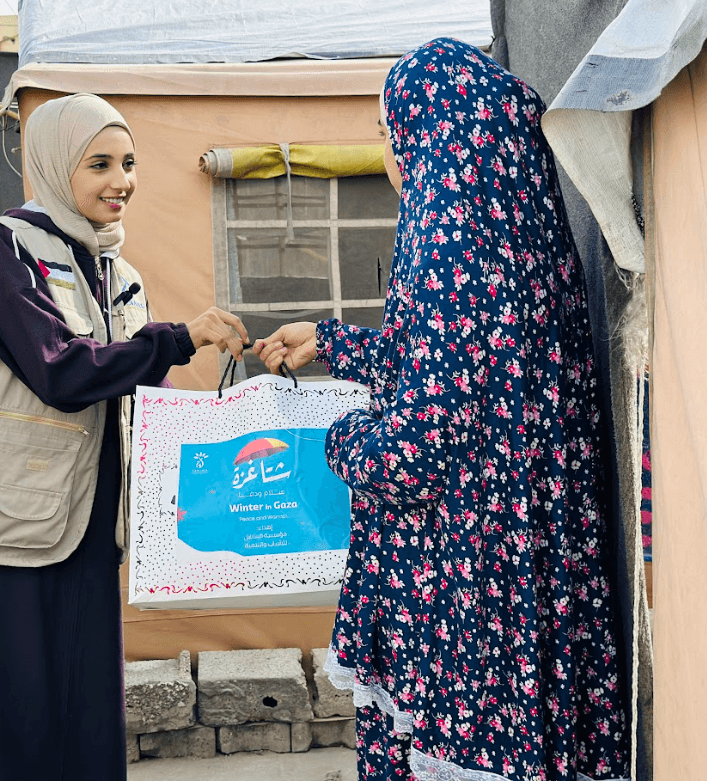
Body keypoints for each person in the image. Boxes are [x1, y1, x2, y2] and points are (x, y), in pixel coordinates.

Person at [255, 38, 631, 781]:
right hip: (529, 574)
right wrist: (334, 341)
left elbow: (412, 452)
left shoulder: (440, 241)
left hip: (466, 593)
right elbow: (472, 364)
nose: (393, 156)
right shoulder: (522, 232)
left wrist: (337, 438)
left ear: (423, 135)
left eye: (391, 135)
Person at [0, 94, 247, 781]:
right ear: (50, 166)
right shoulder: (5, 247)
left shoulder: (118, 274)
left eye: (128, 163)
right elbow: (59, 369)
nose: (120, 181)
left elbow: (140, 396)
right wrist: (182, 337)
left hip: (81, 536)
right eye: (98, 163)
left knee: (67, 725)